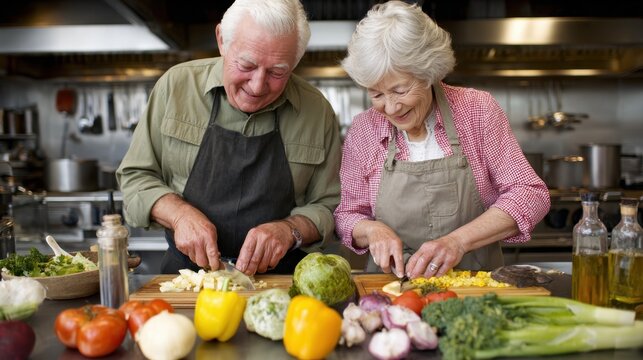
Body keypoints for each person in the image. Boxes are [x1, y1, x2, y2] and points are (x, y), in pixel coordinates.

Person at [116, 0, 341, 275]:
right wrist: (179, 214)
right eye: (246, 64)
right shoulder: (176, 88)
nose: (257, 86)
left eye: (277, 72)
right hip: (188, 278)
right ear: (222, 40)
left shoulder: (316, 110)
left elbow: (331, 205)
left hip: (284, 281)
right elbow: (136, 177)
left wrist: (290, 230)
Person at [334, 1, 550, 279]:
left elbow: (530, 194)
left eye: (399, 90)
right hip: (393, 290)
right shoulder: (365, 129)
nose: (390, 107)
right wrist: (372, 230)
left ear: (429, 73)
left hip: (476, 285)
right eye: (376, 94)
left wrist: (458, 241)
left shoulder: (477, 110)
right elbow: (347, 215)